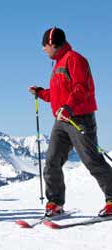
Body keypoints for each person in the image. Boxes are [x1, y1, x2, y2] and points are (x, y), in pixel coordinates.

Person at [29, 27, 112, 217]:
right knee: (52, 161)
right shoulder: (58, 64)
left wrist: (69, 107)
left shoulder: (74, 59)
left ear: (51, 43)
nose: (43, 50)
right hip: (61, 120)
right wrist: (40, 92)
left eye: (44, 46)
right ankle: (55, 202)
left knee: (92, 160)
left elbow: (81, 88)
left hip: (79, 117)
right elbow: (57, 96)